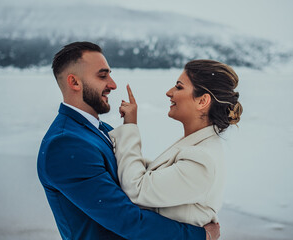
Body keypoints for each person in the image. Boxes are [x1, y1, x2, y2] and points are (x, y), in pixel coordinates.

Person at [37, 42, 220, 240]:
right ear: (74, 82)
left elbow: (139, 179)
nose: (113, 84)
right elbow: (126, 219)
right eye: (102, 75)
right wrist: (199, 236)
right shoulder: (65, 144)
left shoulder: (100, 130)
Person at [109, 59, 243, 227]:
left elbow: (138, 189)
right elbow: (158, 176)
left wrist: (130, 126)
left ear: (202, 101)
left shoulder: (201, 159)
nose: (169, 92)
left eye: (179, 87)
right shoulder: (196, 145)